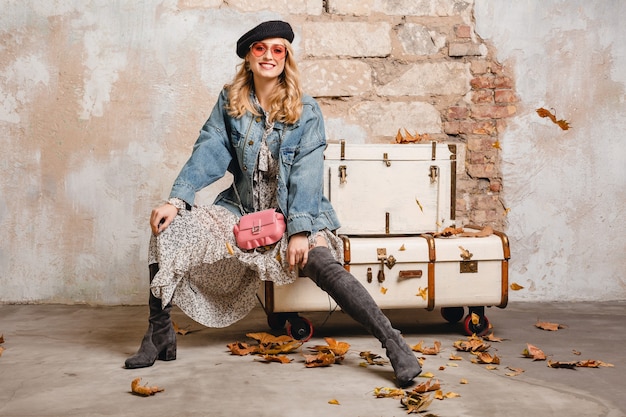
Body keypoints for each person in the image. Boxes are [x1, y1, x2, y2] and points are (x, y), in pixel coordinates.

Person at [124, 20, 421, 387]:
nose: (268, 56)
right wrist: (177, 198)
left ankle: (394, 344)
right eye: (260, 49)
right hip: (242, 212)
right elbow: (210, 148)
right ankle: (159, 334)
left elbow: (307, 175)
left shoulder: (306, 110)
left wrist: (300, 231)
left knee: (323, 264)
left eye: (277, 50)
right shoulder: (230, 102)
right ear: (248, 57)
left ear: (285, 58)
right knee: (169, 228)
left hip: (296, 213)